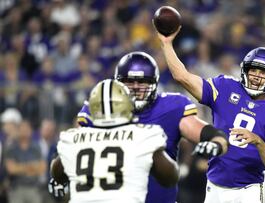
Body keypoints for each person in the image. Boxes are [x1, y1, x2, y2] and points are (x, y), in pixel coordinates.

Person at [51, 51, 229, 203]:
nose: (135, 87)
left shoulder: (171, 107)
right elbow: (74, 152)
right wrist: (61, 177)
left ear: (154, 83)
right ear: (118, 83)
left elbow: (201, 130)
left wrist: (217, 141)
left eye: (142, 82)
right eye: (129, 82)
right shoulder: (100, 109)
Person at [156, 29, 265, 203]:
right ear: (244, 70)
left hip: (248, 190)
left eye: (263, 73)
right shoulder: (225, 87)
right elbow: (182, 76)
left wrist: (258, 141)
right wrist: (166, 44)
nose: (256, 76)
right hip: (214, 184)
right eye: (253, 70)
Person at [50, 79, 179, 203]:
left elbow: (57, 174)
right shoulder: (143, 135)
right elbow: (170, 176)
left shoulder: (74, 138)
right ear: (127, 105)